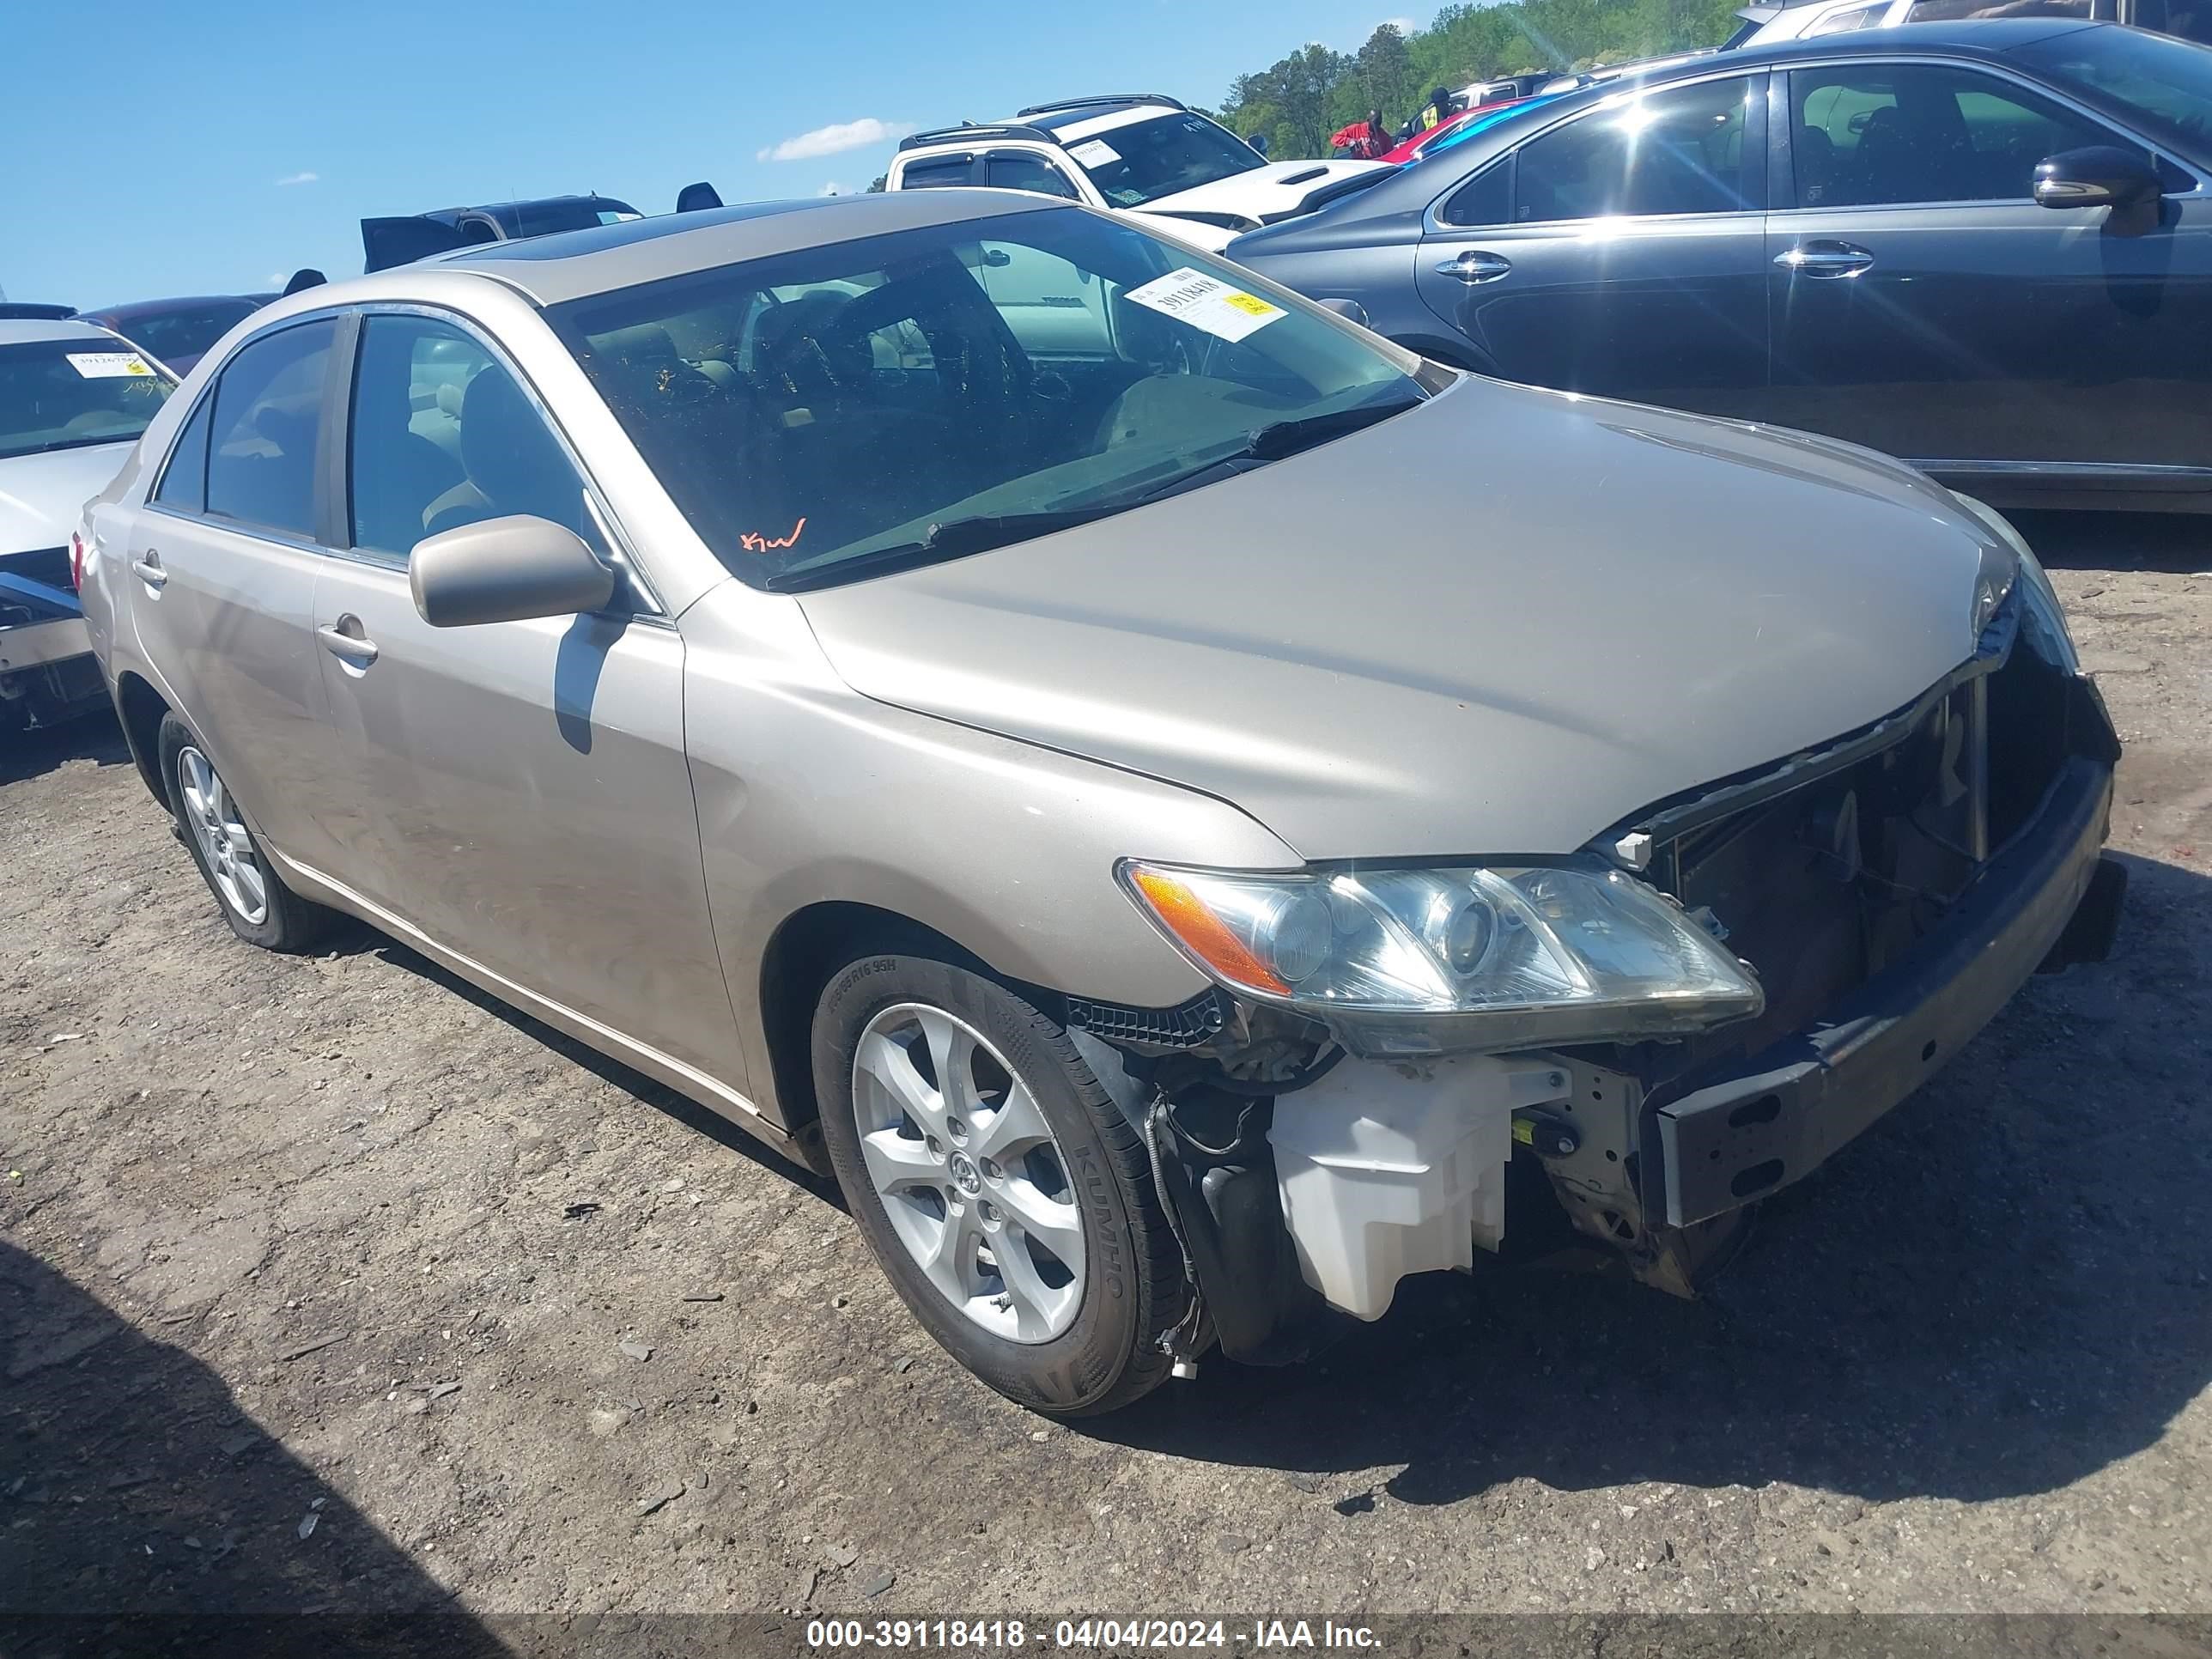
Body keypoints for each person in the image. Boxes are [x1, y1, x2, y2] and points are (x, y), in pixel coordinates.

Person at [1328, 109, 1392, 161]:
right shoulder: (1355, 129)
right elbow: (1334, 139)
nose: (1377, 126)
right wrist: (1349, 141)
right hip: (1360, 166)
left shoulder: (1384, 136)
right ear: (1368, 120)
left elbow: (1390, 155)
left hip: (1377, 166)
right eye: (1375, 122)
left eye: (1379, 123)